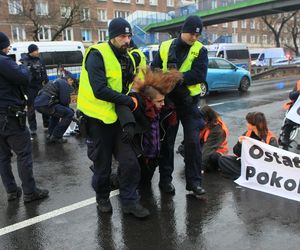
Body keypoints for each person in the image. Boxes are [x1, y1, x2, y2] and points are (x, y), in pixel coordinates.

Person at [77, 18, 150, 218]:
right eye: (122, 36)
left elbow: (127, 88)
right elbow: (100, 90)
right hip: (98, 119)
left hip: (118, 118)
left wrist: (130, 108)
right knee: (103, 166)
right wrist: (128, 102)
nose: (126, 40)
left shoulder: (128, 57)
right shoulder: (97, 54)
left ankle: (129, 201)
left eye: (129, 36)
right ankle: (102, 197)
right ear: (112, 37)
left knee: (129, 162)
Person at [151, 15, 208, 196]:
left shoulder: (200, 50)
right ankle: (165, 180)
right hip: (169, 103)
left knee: (193, 142)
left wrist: (177, 78)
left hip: (189, 103)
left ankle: (194, 183)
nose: (194, 38)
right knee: (167, 143)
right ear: (183, 31)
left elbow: (199, 74)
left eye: (197, 35)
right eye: (191, 33)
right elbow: (154, 68)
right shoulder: (165, 46)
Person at [0, 32, 49, 202]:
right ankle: (30, 191)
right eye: (6, 45)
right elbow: (24, 77)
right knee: (23, 154)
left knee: (3, 157)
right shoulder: (3, 61)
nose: (8, 48)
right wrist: (21, 66)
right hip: (9, 116)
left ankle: (12, 191)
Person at [116, 68, 182, 187]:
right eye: (159, 101)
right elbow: (123, 106)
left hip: (153, 157)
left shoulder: (162, 110)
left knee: (145, 184)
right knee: (126, 183)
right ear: (149, 100)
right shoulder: (140, 108)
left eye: (163, 100)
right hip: (140, 156)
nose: (163, 103)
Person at [218, 112, 278, 180]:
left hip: (260, 168)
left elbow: (274, 161)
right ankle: (247, 177)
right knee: (223, 159)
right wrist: (239, 144)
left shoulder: (270, 138)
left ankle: (245, 176)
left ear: (255, 125)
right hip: (247, 164)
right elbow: (237, 153)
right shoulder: (247, 134)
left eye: (248, 122)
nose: (246, 124)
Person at [177, 105, 229, 172]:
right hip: (204, 145)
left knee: (213, 157)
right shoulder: (204, 123)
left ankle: (206, 165)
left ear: (207, 117)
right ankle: (197, 162)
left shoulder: (218, 130)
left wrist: (201, 167)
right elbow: (193, 138)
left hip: (216, 150)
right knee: (182, 148)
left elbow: (208, 148)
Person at [20, 44, 49, 135]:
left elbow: (44, 73)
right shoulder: (24, 61)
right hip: (30, 88)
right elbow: (22, 76)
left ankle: (47, 124)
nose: (38, 52)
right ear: (31, 51)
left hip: (40, 86)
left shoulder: (40, 60)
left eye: (37, 50)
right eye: (36, 50)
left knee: (44, 104)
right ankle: (33, 127)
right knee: (31, 108)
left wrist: (46, 83)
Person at [34, 78, 74, 144]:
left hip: (38, 103)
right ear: (68, 79)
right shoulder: (64, 83)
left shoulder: (55, 81)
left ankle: (50, 134)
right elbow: (64, 101)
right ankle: (56, 136)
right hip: (46, 104)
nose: (72, 82)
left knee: (56, 114)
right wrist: (69, 110)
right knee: (69, 114)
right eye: (71, 80)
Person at [279, 80, 300, 150]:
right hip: (297, 108)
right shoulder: (299, 83)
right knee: (290, 120)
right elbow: (291, 96)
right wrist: (299, 92)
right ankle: (285, 138)